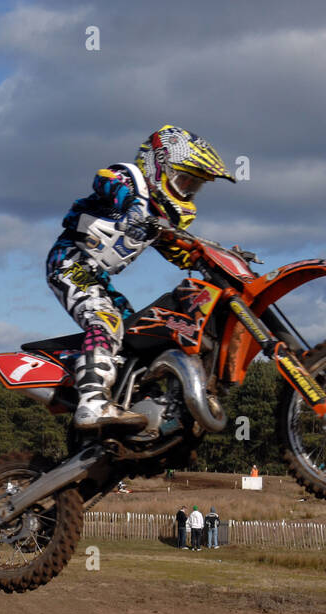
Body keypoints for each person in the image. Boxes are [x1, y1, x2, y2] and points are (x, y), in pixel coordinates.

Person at [47, 125, 235, 430]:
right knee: (105, 320)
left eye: (194, 186)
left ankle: (124, 398)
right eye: (184, 179)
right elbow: (104, 180)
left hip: (98, 278)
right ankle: (91, 403)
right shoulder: (132, 179)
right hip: (70, 262)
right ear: (158, 165)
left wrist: (217, 258)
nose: (187, 190)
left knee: (134, 333)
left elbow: (182, 254)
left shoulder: (157, 219)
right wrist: (132, 205)